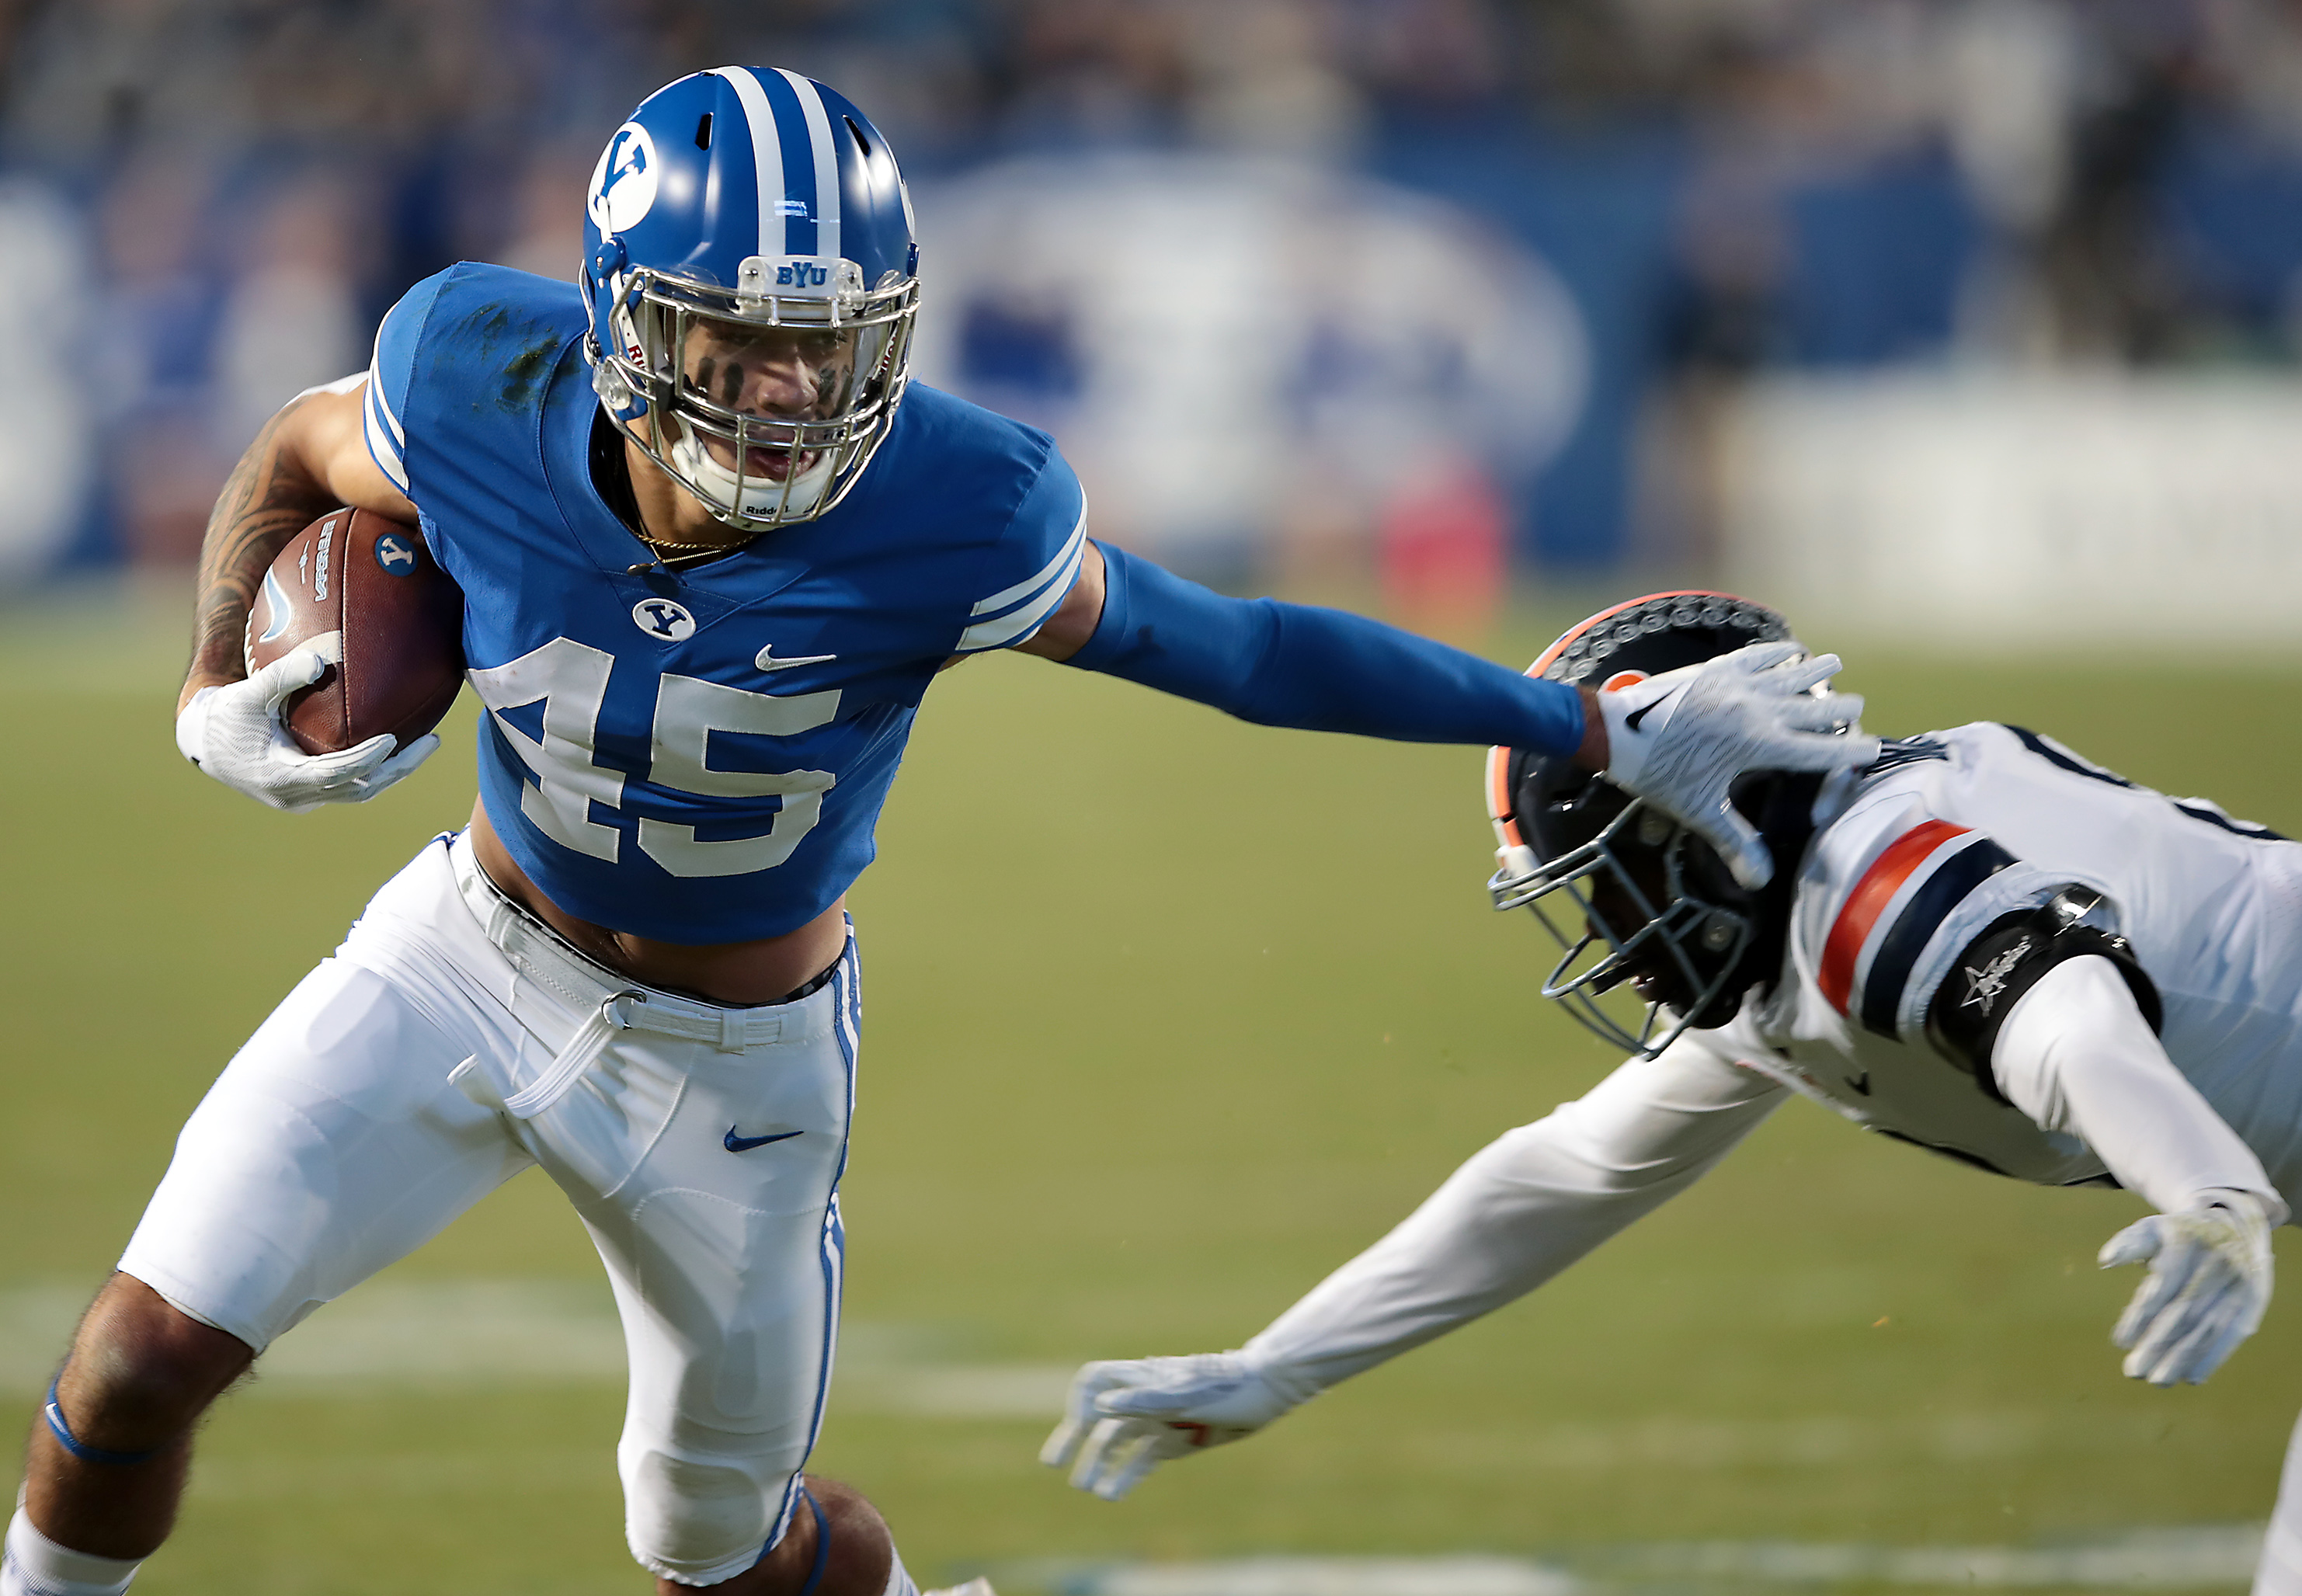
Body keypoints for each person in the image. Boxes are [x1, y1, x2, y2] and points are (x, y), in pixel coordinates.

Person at [12, 67, 1878, 1596]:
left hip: (730, 1074)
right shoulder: (469, 381)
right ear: (617, 321)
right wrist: (207, 687)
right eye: (739, 345)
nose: (785, 396)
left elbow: (1230, 645)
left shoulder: (956, 504)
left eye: (826, 351)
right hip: (465, 954)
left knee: (716, 1556)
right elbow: (289, 447)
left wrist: (1582, 722)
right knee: (133, 1357)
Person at [1045, 589, 2302, 1596]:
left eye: (1606, 876)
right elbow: (1560, 1179)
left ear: (1719, 812)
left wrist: (2205, 1191)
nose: (1605, 927)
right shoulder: (1792, 917)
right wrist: (1277, 1369)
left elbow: (2065, 1019)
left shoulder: (1865, 885)